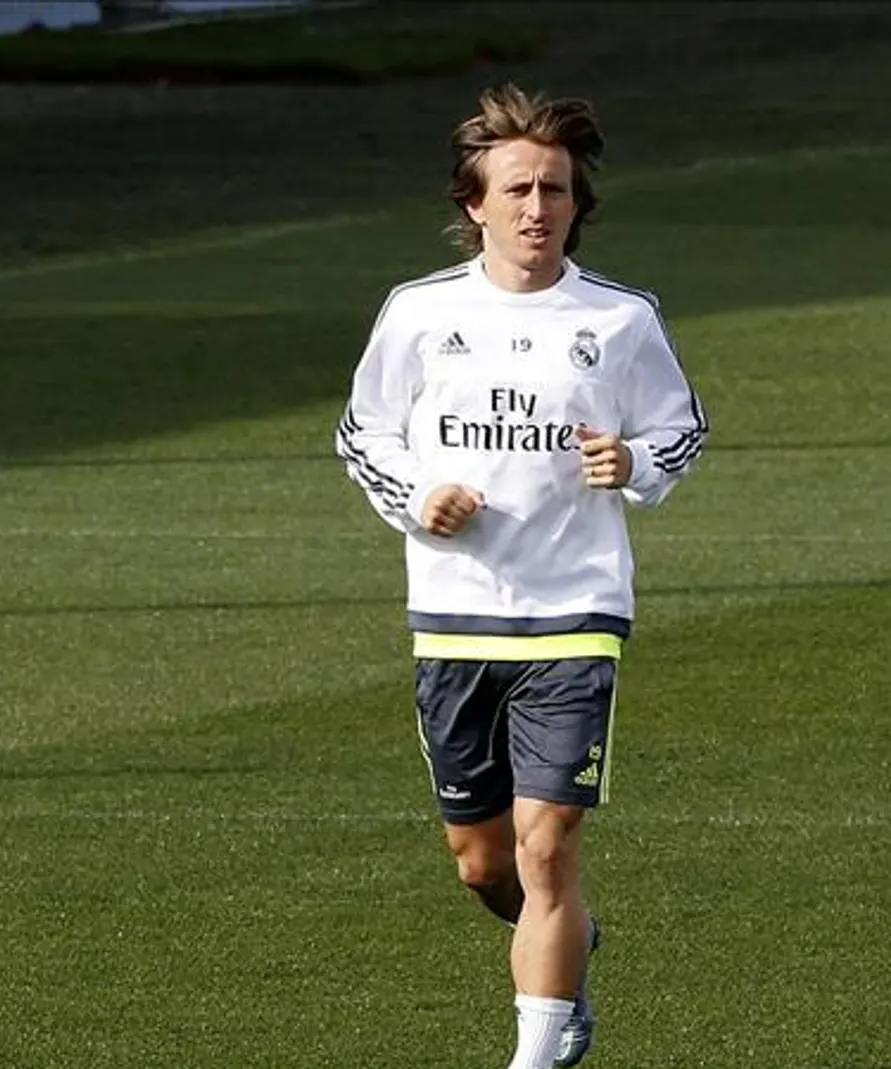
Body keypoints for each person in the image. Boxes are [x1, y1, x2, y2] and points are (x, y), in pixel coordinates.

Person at [335, 83, 707, 1069]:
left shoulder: (621, 320)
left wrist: (633, 463)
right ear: (474, 204)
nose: (537, 208)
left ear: (579, 201)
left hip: (576, 612)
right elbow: (362, 429)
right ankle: (564, 945)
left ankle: (536, 1054)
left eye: (554, 189)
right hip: (456, 616)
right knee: (484, 864)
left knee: (549, 850)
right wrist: (419, 493)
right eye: (516, 190)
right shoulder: (419, 315)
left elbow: (680, 425)